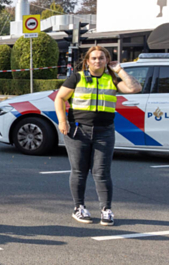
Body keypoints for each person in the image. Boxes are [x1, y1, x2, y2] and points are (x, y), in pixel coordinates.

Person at [54, 45, 142, 226]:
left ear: (107, 60)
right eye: (93, 58)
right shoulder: (77, 77)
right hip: (78, 130)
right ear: (87, 61)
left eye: (101, 58)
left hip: (104, 131)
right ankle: (79, 207)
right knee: (79, 171)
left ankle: (106, 210)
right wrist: (63, 121)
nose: (97, 61)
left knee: (102, 172)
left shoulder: (112, 78)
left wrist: (120, 70)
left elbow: (135, 89)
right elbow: (60, 98)